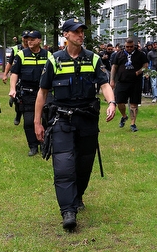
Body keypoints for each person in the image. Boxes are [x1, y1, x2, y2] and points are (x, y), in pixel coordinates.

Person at [34, 19, 116, 232]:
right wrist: (37, 123)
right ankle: (68, 211)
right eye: (75, 32)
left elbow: (105, 84)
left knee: (84, 164)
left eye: (82, 31)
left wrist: (112, 102)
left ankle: (77, 196)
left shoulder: (93, 59)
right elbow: (42, 93)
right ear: (66, 35)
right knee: (63, 166)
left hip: (87, 120)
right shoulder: (54, 61)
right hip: (62, 120)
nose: (80, 35)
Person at [8, 30, 49, 156]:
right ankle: (33, 146)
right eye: (28, 39)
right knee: (28, 121)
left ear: (39, 40)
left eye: (32, 39)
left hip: (45, 93)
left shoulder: (48, 55)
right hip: (28, 93)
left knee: (46, 119)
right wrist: (12, 88)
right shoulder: (21, 55)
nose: (29, 42)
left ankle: (44, 144)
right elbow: (14, 73)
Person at [110, 37, 148, 132]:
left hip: (135, 82)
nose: (129, 48)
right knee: (120, 102)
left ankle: (133, 123)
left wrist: (139, 72)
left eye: (131, 47)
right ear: (125, 46)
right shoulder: (118, 55)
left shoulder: (140, 54)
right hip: (122, 81)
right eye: (127, 47)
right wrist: (112, 80)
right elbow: (114, 67)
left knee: (133, 104)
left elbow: (146, 66)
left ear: (134, 45)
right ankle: (124, 116)